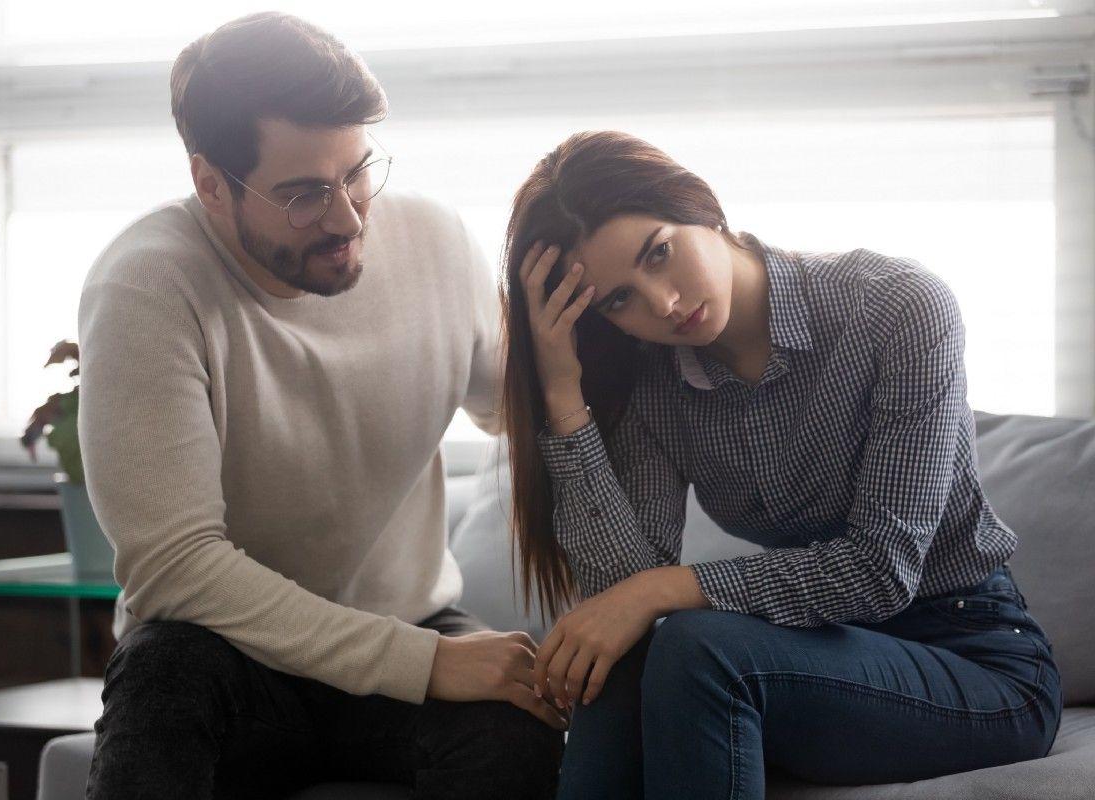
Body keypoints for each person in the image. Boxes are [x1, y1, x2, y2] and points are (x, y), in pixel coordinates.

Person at [78, 13, 563, 799]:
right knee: (164, 680)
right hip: (227, 655)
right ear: (211, 184)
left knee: (519, 732)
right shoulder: (146, 286)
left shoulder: (436, 243)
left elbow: (518, 410)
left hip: (407, 623)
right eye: (303, 195)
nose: (347, 218)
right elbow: (174, 568)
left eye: (358, 172)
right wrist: (425, 664)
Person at [500, 129, 1062, 799]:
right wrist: (564, 396)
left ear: (699, 204)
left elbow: (882, 570)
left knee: (697, 646)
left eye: (660, 253)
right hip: (814, 658)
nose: (664, 304)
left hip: (974, 661)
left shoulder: (897, 307)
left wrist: (662, 590)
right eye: (620, 299)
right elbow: (620, 600)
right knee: (626, 660)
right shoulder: (654, 386)